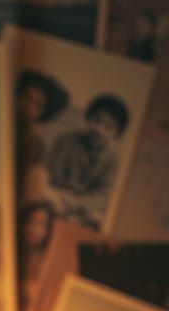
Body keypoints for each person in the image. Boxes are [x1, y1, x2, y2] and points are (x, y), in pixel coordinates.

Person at [46, 93, 130, 230]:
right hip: (58, 197)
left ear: (117, 134)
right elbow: (52, 177)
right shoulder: (66, 141)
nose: (99, 129)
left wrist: (78, 204)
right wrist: (64, 199)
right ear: (87, 118)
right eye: (96, 120)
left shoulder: (113, 159)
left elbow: (103, 195)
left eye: (108, 127)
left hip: (84, 209)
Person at [14, 69, 68, 201]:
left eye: (37, 104)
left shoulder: (34, 145)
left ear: (44, 113)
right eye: (25, 96)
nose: (27, 105)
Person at [16, 199, 56, 311]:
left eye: (40, 224)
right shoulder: (14, 255)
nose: (32, 228)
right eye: (30, 222)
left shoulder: (49, 258)